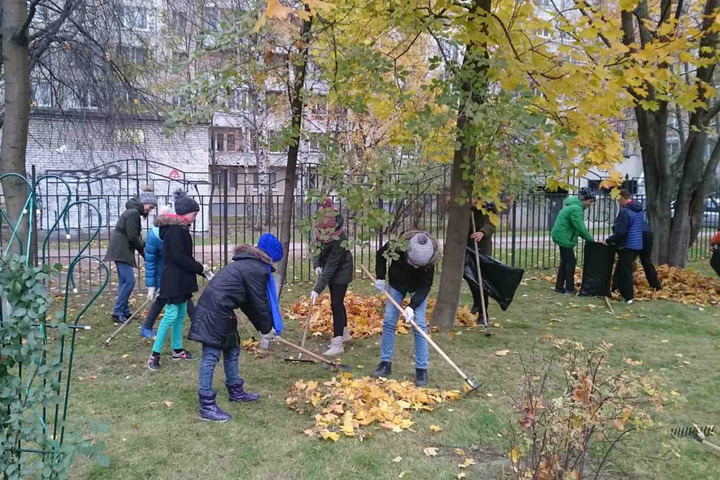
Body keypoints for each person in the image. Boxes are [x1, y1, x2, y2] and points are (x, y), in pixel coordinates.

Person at [188, 233, 284, 422]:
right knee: (211, 356)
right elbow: (259, 303)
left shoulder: (248, 263)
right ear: (269, 256)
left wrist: (263, 328)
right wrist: (266, 329)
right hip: (215, 311)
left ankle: (235, 391)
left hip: (222, 309)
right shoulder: (257, 269)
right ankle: (206, 405)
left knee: (232, 348)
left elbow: (248, 303)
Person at [148, 190, 207, 370]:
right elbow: (179, 257)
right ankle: (154, 355)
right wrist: (199, 268)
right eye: (194, 214)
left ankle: (177, 350)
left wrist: (198, 269)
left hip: (182, 279)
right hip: (173, 280)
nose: (195, 218)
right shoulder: (175, 231)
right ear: (184, 213)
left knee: (181, 315)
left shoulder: (180, 229)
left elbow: (182, 256)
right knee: (171, 315)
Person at [372, 230, 440, 387]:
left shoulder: (430, 261)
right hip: (396, 284)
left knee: (420, 325)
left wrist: (412, 305)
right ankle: (385, 363)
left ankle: (421, 370)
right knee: (389, 321)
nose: (414, 266)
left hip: (417, 288)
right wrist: (380, 277)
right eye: (412, 263)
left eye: (418, 265)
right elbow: (380, 254)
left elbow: (425, 286)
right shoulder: (398, 246)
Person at [140, 205, 197, 340]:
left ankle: (197, 325)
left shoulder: (175, 230)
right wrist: (151, 286)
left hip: (174, 271)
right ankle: (147, 327)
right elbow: (149, 260)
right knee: (163, 299)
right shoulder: (154, 235)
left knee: (184, 296)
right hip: (164, 271)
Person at [104, 185, 156, 324]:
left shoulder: (132, 211)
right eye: (150, 207)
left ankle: (125, 312)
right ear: (144, 202)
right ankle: (117, 312)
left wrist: (145, 251)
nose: (149, 211)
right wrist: (144, 249)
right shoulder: (133, 213)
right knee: (129, 282)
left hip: (120, 249)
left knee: (124, 282)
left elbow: (134, 236)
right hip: (122, 250)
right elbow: (133, 237)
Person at [310, 198, 354, 357]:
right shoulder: (320, 228)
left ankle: (337, 344)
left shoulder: (340, 237)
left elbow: (332, 265)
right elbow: (315, 248)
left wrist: (317, 289)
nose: (324, 233)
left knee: (336, 303)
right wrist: (317, 265)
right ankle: (344, 333)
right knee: (338, 303)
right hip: (330, 267)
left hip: (342, 270)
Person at [551, 188, 595, 295]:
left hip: (561, 235)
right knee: (570, 262)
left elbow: (577, 227)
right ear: (584, 200)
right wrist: (590, 239)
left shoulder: (574, 207)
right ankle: (569, 289)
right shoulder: (576, 209)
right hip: (564, 237)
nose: (591, 204)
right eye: (590, 201)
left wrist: (586, 237)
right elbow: (579, 226)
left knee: (565, 262)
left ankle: (559, 287)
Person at [606, 190, 644, 304]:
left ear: (622, 199)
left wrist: (609, 240)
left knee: (625, 270)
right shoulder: (638, 210)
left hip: (626, 245)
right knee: (621, 267)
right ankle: (615, 288)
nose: (618, 202)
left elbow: (621, 231)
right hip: (637, 244)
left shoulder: (625, 212)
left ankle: (628, 296)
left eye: (618, 200)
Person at [465, 202, 496, 324]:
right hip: (468, 245)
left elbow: (491, 223)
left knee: (481, 279)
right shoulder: (466, 205)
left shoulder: (489, 204)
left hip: (482, 247)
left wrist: (482, 232)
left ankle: (484, 313)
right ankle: (477, 303)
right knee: (469, 276)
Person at [639, 219, 662, 291]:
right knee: (646, 261)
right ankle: (655, 285)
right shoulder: (637, 211)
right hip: (647, 233)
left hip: (636, 235)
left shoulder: (625, 212)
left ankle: (619, 286)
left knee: (625, 262)